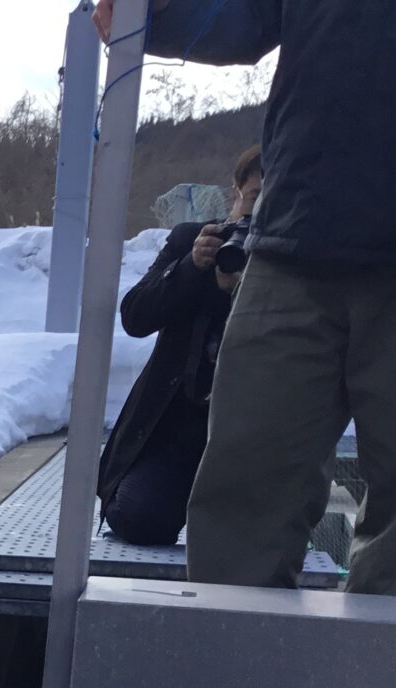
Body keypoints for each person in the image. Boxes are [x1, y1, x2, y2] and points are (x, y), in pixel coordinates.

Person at [97, 0, 396, 595]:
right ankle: (231, 676)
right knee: (246, 480)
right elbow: (236, 16)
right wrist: (151, 13)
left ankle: (385, 684)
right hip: (292, 246)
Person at [99, 147, 262, 546]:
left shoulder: (289, 260)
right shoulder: (195, 240)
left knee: (247, 543)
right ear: (236, 191)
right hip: (179, 426)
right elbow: (135, 316)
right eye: (256, 195)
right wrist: (193, 268)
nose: (260, 209)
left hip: (248, 434)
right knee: (138, 518)